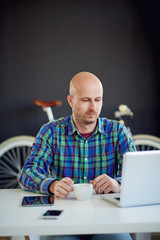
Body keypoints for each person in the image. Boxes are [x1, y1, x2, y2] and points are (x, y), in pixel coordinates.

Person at [19, 72, 136, 240]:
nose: (93, 108)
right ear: (71, 101)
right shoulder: (51, 131)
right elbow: (27, 173)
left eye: (98, 100)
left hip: (107, 222)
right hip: (63, 223)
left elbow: (138, 176)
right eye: (86, 100)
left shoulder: (117, 131)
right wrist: (52, 185)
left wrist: (118, 183)